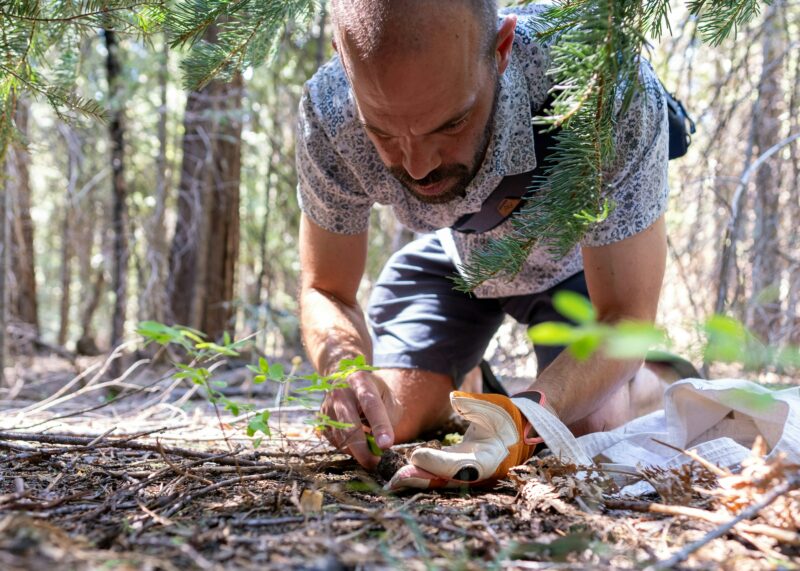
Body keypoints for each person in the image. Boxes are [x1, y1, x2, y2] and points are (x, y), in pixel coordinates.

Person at [296, 0, 672, 486]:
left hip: (577, 269)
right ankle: (469, 383)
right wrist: (344, 372)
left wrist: (523, 417)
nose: (417, 166)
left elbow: (624, 319)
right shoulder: (329, 111)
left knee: (580, 430)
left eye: (451, 124)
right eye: (382, 132)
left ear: (501, 49)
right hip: (455, 262)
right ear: (344, 63)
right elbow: (326, 288)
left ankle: (653, 380)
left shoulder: (605, 87)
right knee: (382, 422)